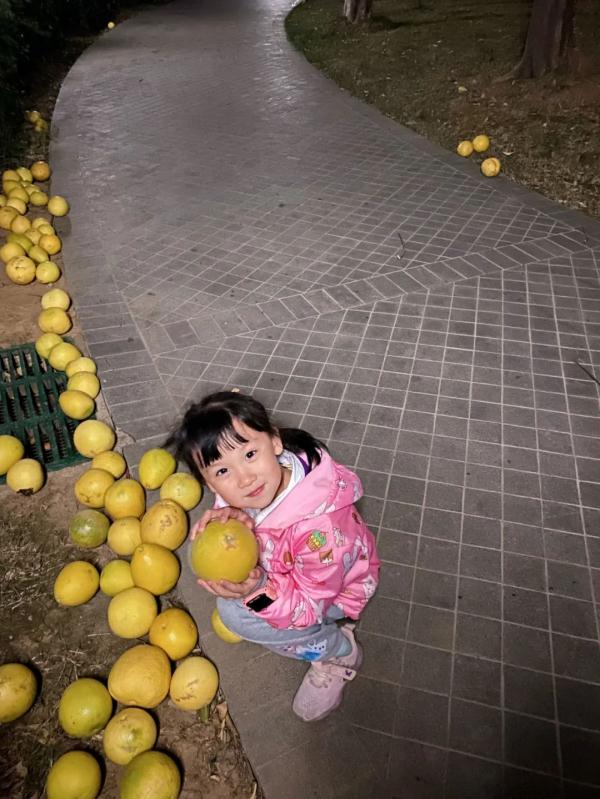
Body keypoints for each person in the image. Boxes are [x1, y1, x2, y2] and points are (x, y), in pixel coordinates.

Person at [167, 390, 380, 722]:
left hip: (334, 592)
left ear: (275, 442)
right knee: (237, 611)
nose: (245, 478)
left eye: (250, 453)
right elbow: (237, 498)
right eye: (222, 472)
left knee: (238, 616)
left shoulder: (319, 531)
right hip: (291, 571)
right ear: (209, 484)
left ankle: (339, 650)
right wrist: (232, 515)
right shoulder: (254, 487)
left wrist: (257, 590)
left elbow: (308, 609)